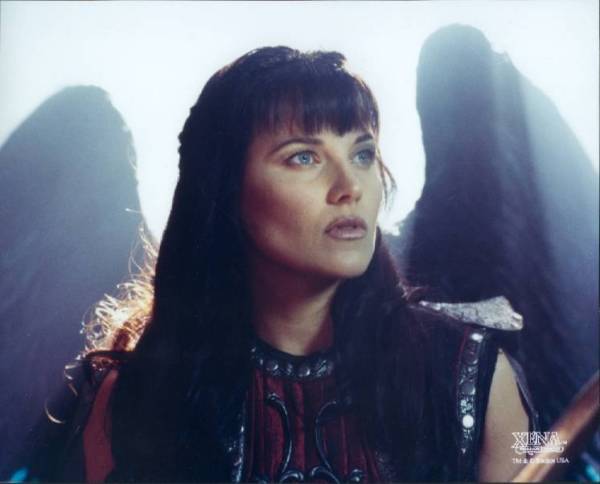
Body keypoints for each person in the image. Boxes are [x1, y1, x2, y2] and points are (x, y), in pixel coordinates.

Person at [18, 46, 536, 482]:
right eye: (303, 157)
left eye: (362, 153)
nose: (351, 187)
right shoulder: (134, 399)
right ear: (226, 190)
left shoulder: (471, 374)